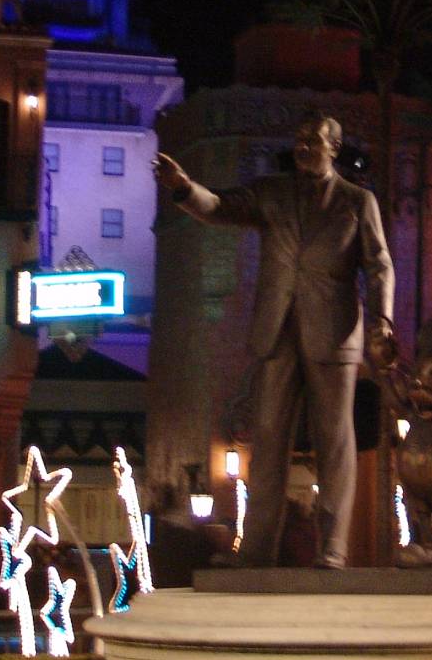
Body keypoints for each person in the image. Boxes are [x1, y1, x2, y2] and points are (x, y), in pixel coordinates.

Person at [154, 110, 395, 569]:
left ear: (334, 148)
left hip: (334, 331)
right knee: (266, 441)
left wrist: (383, 319)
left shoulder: (358, 201)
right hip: (276, 329)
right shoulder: (272, 192)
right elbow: (221, 208)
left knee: (335, 440)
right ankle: (258, 551)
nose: (304, 148)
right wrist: (184, 188)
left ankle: (333, 547)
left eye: (314, 141)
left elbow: (380, 265)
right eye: (300, 140)